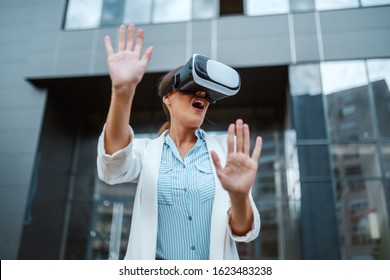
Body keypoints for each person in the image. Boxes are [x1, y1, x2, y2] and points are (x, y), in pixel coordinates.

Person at [97, 24, 263, 260]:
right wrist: (122, 91)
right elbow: (112, 165)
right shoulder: (146, 153)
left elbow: (244, 231)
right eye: (193, 88)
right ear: (168, 98)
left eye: (208, 93)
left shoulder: (225, 154)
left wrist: (239, 196)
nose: (202, 96)